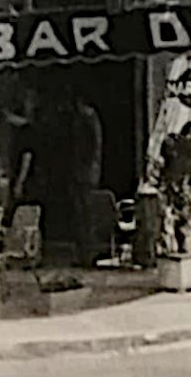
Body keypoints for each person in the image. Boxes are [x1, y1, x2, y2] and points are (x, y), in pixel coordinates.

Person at [69, 94, 103, 267]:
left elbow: (91, 149)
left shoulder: (87, 121)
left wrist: (86, 168)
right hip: (84, 173)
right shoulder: (86, 120)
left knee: (86, 214)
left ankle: (88, 254)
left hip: (85, 174)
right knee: (82, 215)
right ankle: (84, 253)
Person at [2, 89, 40, 229]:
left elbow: (27, 158)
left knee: (19, 212)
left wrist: (20, 182)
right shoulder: (25, 130)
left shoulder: (28, 132)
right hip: (22, 177)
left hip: (25, 180)